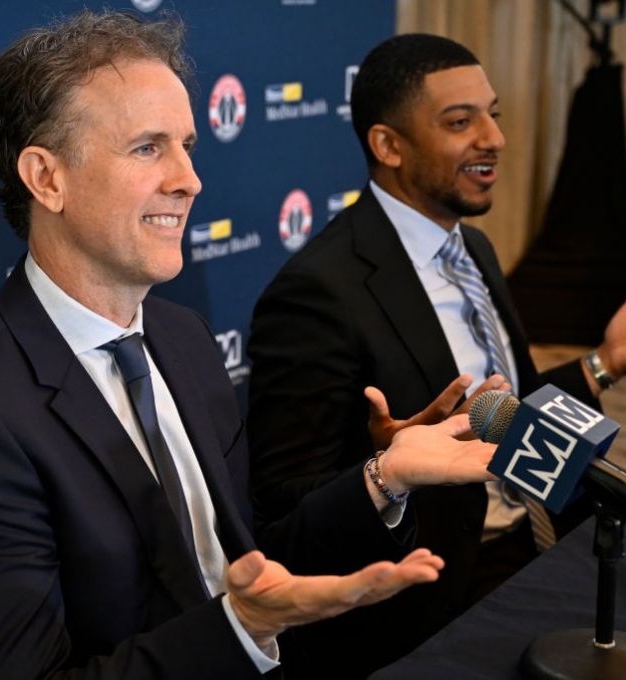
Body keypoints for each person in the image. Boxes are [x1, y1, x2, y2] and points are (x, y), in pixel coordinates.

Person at [0, 13, 499, 680]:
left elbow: (253, 557)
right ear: (47, 177)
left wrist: (384, 477)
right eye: (148, 148)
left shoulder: (184, 339)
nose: (189, 180)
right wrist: (242, 628)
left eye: (186, 145)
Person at [248, 32, 626, 674]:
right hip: (430, 592)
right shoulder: (316, 293)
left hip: (537, 539)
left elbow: (507, 417)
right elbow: (285, 512)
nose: (495, 138)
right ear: (388, 145)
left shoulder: (472, 249)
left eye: (493, 114)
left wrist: (605, 363)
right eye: (461, 121)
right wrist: (389, 461)